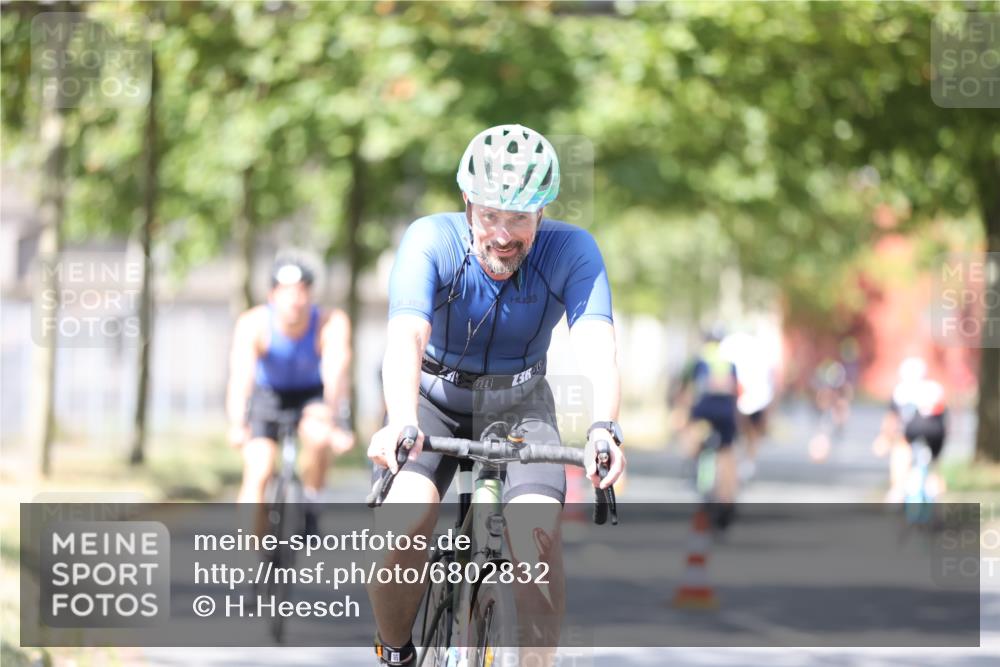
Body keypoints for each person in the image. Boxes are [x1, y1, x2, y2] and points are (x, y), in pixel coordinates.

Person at [366, 124, 626, 666]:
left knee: (538, 545)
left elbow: (596, 340)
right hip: (433, 398)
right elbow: (406, 335)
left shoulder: (571, 250)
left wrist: (604, 426)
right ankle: (396, 653)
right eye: (489, 215)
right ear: (467, 203)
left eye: (520, 218)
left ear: (543, 213)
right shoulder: (429, 239)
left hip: (521, 406)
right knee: (405, 521)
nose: (503, 234)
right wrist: (399, 418)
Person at [225, 258, 355, 516]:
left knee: (318, 439)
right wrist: (238, 423)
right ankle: (247, 552)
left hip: (311, 395)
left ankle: (311, 500)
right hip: (267, 396)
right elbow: (241, 377)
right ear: (272, 295)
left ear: (311, 294)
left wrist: (338, 422)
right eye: (287, 292)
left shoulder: (330, 322)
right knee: (258, 469)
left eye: (302, 291)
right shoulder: (254, 323)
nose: (295, 299)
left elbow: (336, 372)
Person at [676, 326, 740, 521]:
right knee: (727, 453)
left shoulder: (698, 359)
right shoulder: (729, 362)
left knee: (692, 432)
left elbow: (687, 390)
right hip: (726, 411)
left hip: (704, 409)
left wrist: (682, 414)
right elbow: (735, 392)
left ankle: (693, 462)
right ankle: (728, 499)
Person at [873, 356, 948, 502]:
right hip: (936, 432)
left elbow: (892, 419)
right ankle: (937, 493)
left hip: (913, 429)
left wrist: (884, 438)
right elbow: (945, 416)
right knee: (934, 465)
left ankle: (897, 489)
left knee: (900, 448)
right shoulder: (935, 388)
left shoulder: (901, 390)